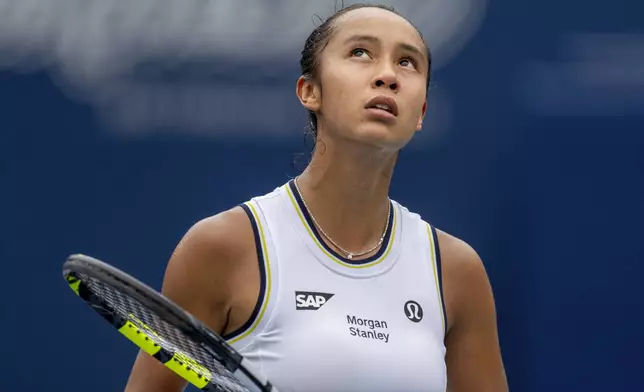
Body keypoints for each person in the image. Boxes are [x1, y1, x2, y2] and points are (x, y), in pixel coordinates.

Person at [124, 3, 508, 392]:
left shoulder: (457, 273)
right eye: (360, 52)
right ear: (310, 91)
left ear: (420, 111)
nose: (388, 75)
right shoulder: (223, 246)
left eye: (407, 62)